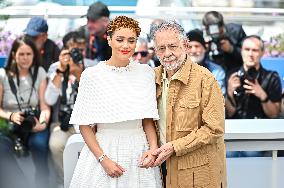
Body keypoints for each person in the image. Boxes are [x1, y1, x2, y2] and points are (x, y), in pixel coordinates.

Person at [68, 16, 162, 188]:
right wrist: (103, 160)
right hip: (103, 149)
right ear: (109, 39)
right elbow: (83, 125)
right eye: (120, 39)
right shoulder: (91, 75)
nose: (126, 45)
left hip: (139, 151)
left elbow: (147, 120)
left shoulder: (146, 73)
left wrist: (152, 149)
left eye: (131, 40)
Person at [150, 20, 227, 188]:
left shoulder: (205, 80)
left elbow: (215, 129)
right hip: (160, 170)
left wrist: (175, 147)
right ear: (155, 51)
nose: (167, 53)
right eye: (161, 48)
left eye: (173, 46)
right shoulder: (151, 78)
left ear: (185, 45)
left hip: (197, 175)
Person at [45, 31, 98, 188]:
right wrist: (61, 71)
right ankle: (65, 181)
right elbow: (49, 99)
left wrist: (80, 74)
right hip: (64, 123)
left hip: (90, 123)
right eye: (72, 50)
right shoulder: (56, 68)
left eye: (80, 50)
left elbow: (96, 98)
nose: (77, 54)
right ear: (64, 50)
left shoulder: (94, 66)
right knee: (56, 145)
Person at [0, 36, 51, 188]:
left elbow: (45, 107)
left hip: (33, 121)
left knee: (40, 144)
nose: (25, 58)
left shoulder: (40, 72)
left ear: (34, 55)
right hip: (10, 124)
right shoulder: (3, 74)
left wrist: (42, 123)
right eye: (21, 54)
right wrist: (11, 116)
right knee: (4, 148)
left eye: (28, 54)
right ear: (14, 55)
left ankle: (43, 182)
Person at [186, 29, 226, 95]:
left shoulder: (216, 71)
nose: (193, 51)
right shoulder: (176, 69)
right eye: (189, 47)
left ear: (204, 49)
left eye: (197, 46)